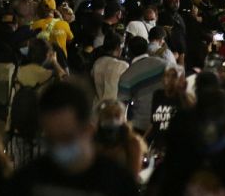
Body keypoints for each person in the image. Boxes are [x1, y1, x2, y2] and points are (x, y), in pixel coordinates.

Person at [7, 81, 138, 195]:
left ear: (89, 130)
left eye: (66, 137)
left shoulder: (117, 183)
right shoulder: (28, 182)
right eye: (51, 139)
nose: (59, 146)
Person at [117, 36, 167, 134]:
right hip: (164, 121)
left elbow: (121, 107)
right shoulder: (163, 64)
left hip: (141, 126)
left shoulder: (126, 77)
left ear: (128, 51)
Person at [94, 100, 147, 180]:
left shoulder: (132, 143)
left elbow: (133, 177)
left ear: (122, 118)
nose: (112, 119)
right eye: (108, 115)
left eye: (116, 115)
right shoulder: (91, 141)